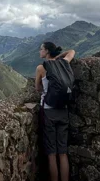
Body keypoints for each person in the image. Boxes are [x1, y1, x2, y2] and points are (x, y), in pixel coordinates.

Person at [35, 42, 75, 181]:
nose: (39, 51)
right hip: (63, 110)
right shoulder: (64, 62)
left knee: (52, 153)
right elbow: (71, 51)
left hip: (49, 112)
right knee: (63, 153)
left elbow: (38, 88)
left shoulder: (41, 68)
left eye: (41, 49)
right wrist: (58, 56)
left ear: (46, 52)